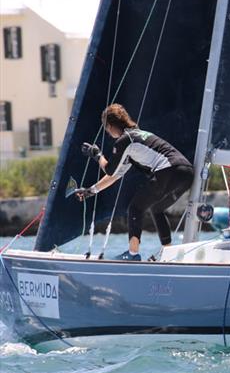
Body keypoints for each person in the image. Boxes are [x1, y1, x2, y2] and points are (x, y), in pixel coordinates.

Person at [75, 103, 193, 261]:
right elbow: (115, 175)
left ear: (109, 126)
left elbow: (109, 169)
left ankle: (133, 254)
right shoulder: (137, 137)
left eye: (106, 128)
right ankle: (169, 253)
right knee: (157, 208)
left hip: (167, 169)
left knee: (136, 208)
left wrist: (97, 155)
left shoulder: (125, 140)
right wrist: (91, 190)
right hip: (186, 173)